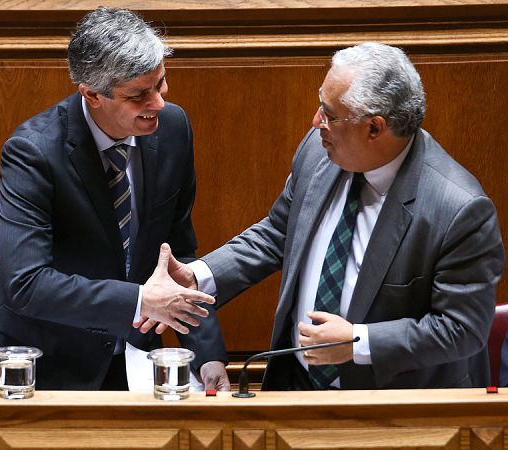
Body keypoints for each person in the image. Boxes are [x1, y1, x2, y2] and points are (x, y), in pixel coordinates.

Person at [157, 42, 504, 389]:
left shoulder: (458, 210)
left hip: (390, 401)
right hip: (295, 383)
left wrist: (358, 342)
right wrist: (200, 275)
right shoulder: (320, 149)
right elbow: (279, 231)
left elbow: (461, 328)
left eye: (329, 114)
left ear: (374, 128)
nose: (316, 121)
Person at [0, 6, 229, 391]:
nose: (158, 103)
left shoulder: (173, 128)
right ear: (92, 94)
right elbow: (26, 283)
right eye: (139, 95)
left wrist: (207, 356)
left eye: (160, 83)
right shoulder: (33, 152)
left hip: (132, 364)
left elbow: (176, 257)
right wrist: (141, 301)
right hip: (40, 368)